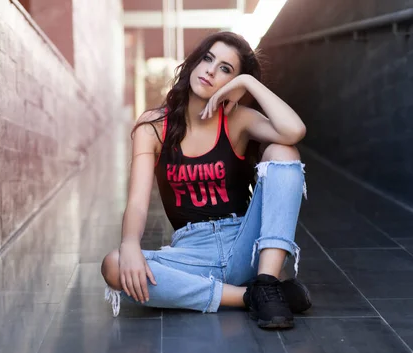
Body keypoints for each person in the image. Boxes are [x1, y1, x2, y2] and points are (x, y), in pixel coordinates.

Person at [101, 31, 311, 329]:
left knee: (283, 150)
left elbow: (294, 131)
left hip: (246, 245)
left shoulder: (238, 120)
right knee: (114, 265)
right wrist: (130, 245)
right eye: (207, 59)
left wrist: (249, 83)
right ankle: (251, 297)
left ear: (234, 84)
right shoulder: (153, 127)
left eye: (226, 69)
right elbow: (136, 202)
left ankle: (266, 282)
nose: (211, 70)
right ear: (193, 64)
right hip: (192, 254)